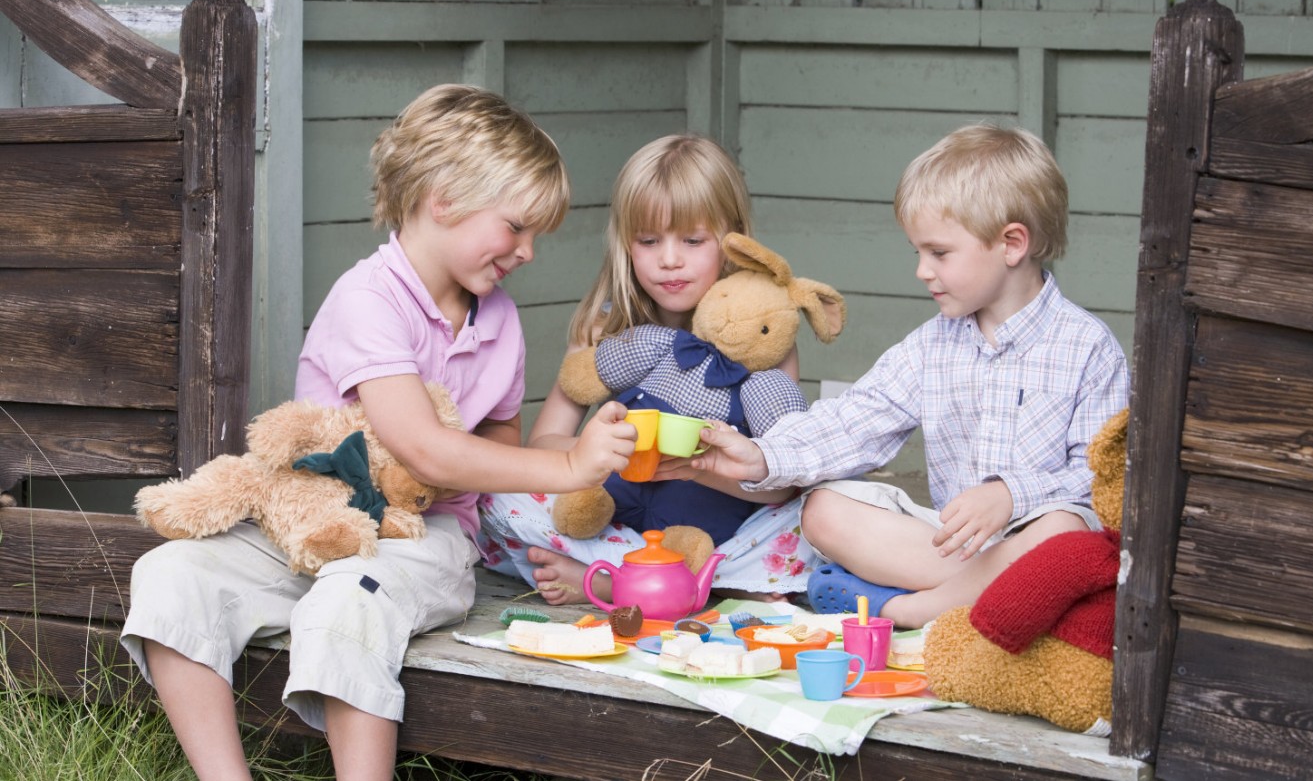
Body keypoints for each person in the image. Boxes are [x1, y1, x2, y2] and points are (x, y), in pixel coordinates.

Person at [120, 84, 635, 781]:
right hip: (313, 524)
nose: (528, 251)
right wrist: (573, 465)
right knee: (169, 573)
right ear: (443, 199)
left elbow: (496, 450)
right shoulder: (368, 299)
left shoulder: (498, 320)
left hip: (422, 540)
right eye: (516, 227)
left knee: (350, 596)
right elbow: (422, 444)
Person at [692, 124, 1129, 629]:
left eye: (939, 253)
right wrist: (760, 454)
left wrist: (1012, 494)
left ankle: (908, 609)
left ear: (1011, 243)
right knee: (824, 510)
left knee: (1066, 532)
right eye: (917, 252)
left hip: (1042, 545)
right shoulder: (932, 345)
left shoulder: (1089, 348)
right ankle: (977, 599)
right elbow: (853, 421)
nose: (922, 270)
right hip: (950, 549)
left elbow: (1103, 481)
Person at [478, 134, 822, 605]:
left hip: (713, 531)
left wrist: (699, 468)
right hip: (615, 518)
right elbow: (542, 446)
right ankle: (689, 586)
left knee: (818, 512)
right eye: (648, 240)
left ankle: (618, 582)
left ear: (733, 240)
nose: (669, 259)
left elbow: (779, 484)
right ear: (626, 243)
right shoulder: (605, 328)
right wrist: (609, 447)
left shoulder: (762, 335)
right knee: (496, 499)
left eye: (693, 240)